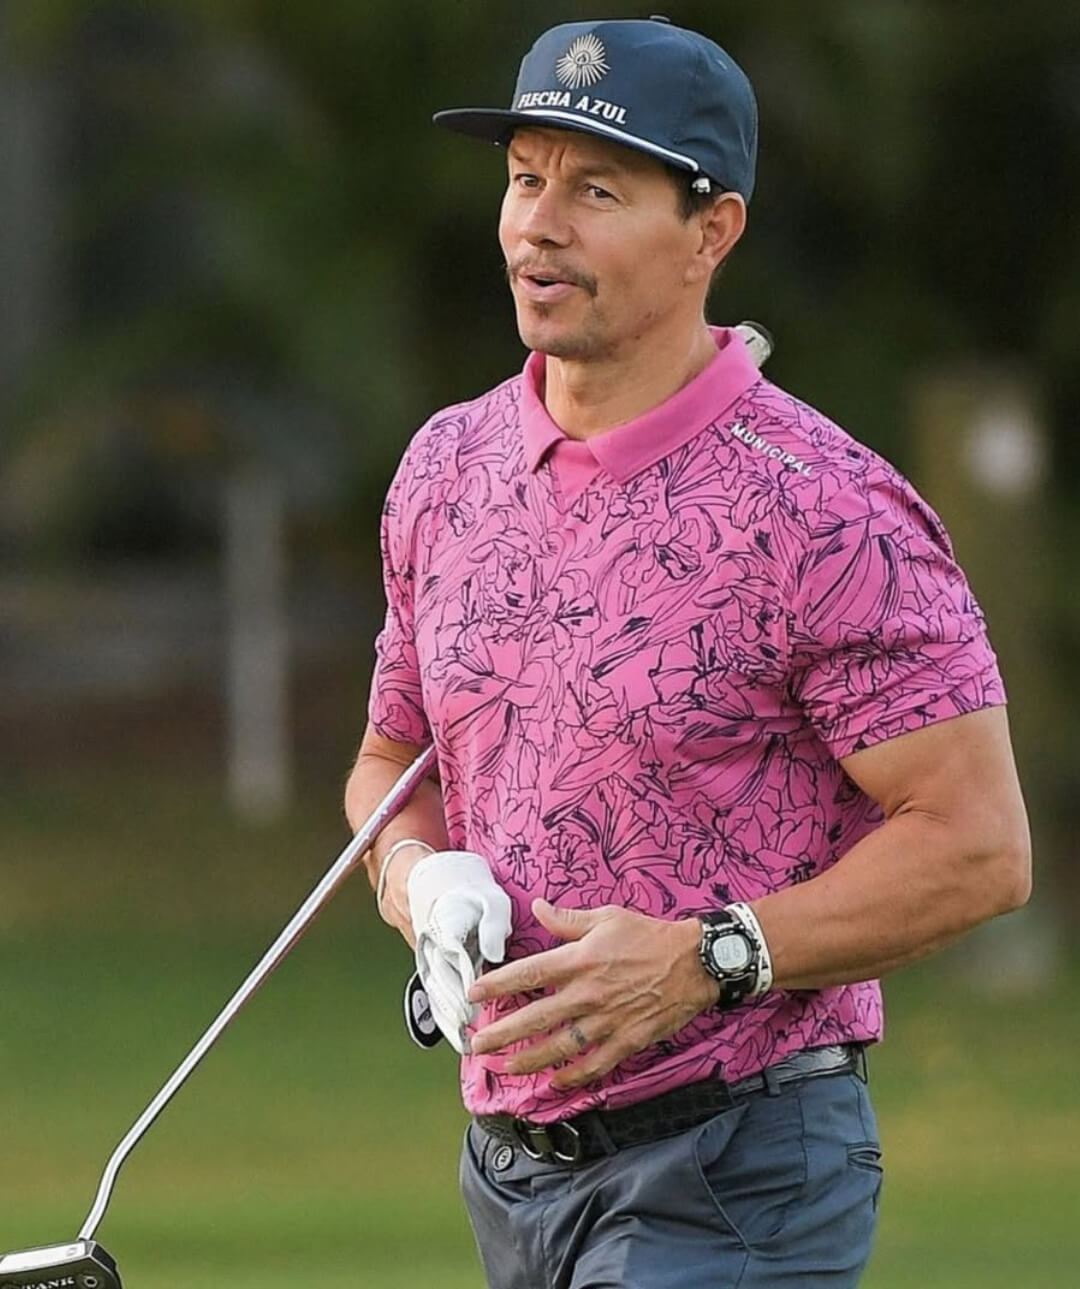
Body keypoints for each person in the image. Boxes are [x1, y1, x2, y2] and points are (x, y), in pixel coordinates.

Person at [345, 16, 1031, 1288]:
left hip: (740, 1160)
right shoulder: (447, 466)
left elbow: (979, 845)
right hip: (507, 1168)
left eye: (597, 191)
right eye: (525, 179)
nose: (539, 227)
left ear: (712, 232)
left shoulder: (827, 508)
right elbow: (392, 762)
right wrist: (416, 878)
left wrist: (707, 957)